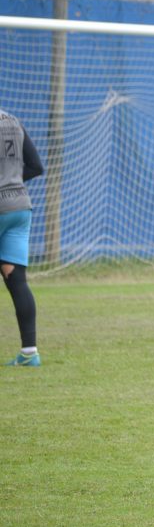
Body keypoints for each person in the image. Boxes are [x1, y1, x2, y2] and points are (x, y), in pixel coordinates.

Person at [0, 108, 44, 367]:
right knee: (16, 278)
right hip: (19, 207)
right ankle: (30, 352)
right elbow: (37, 166)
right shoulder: (14, 121)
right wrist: (13, 180)